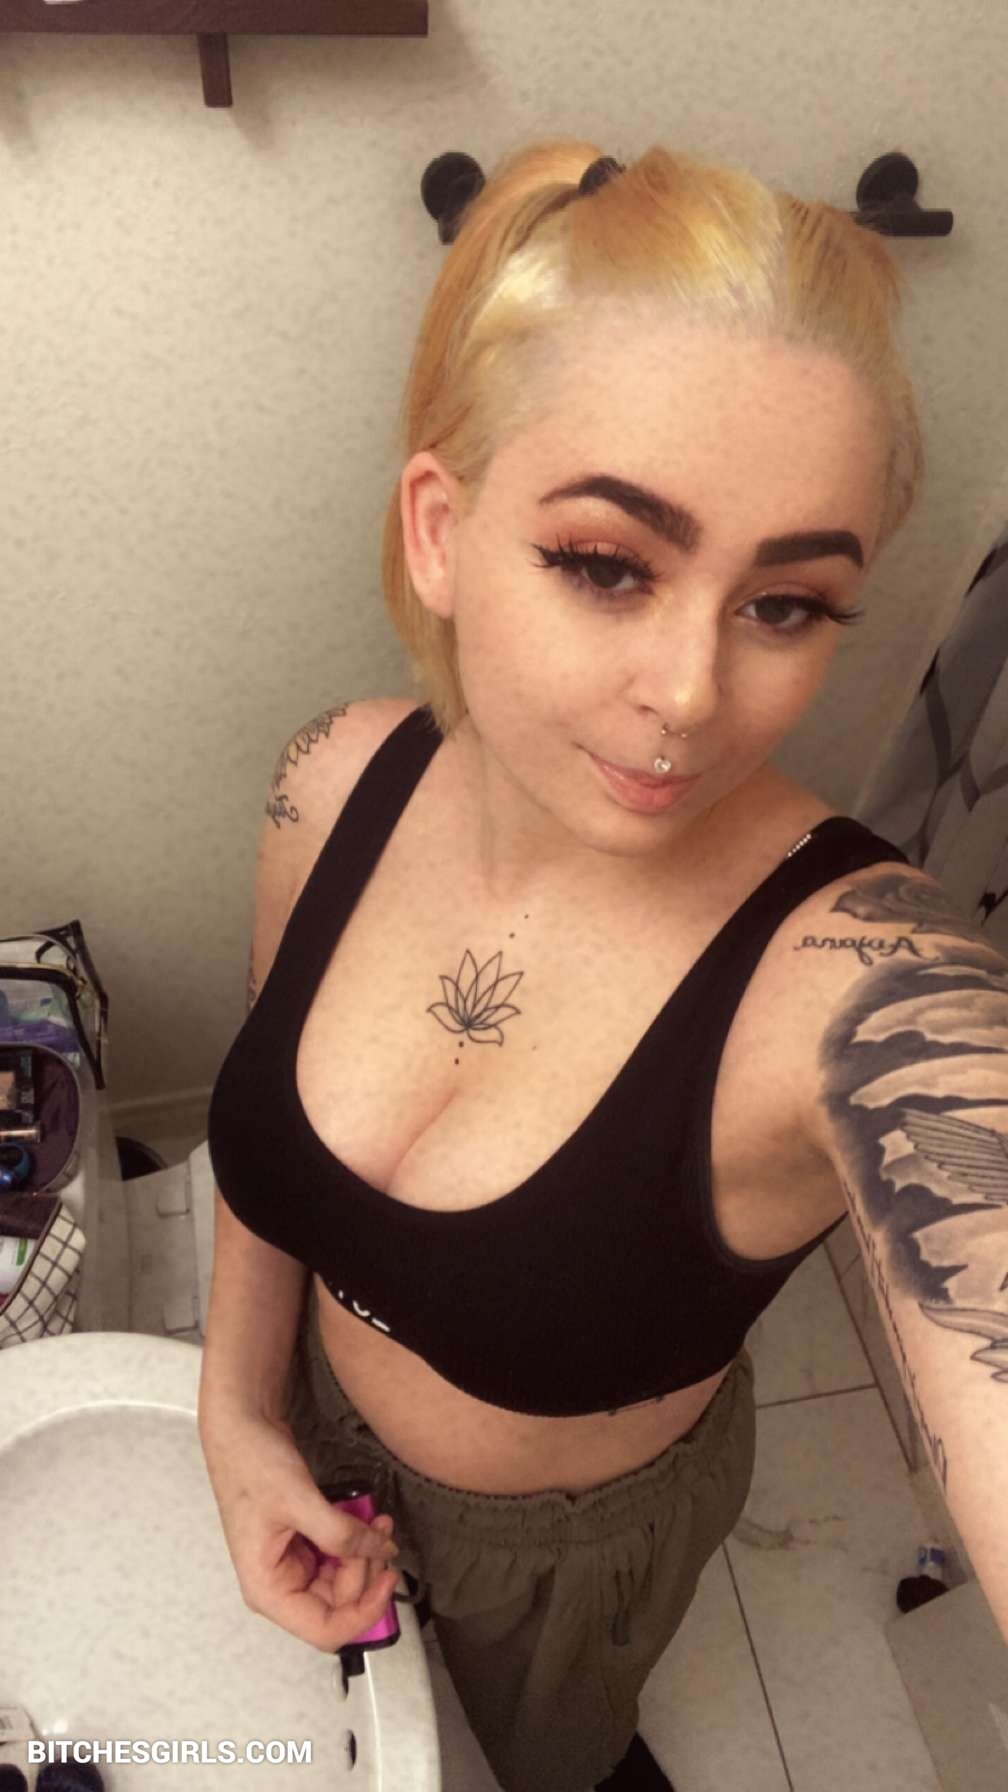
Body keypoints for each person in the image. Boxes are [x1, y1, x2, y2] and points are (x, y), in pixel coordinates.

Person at [198, 139, 924, 1792]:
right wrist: (238, 1415)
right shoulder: (330, 783)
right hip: (314, 1419)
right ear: (442, 531)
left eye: (787, 604)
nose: (691, 693)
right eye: (610, 564)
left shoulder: (860, 977)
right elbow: (264, 1149)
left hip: (566, 1561)